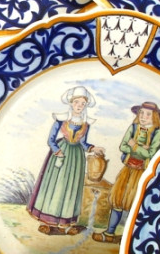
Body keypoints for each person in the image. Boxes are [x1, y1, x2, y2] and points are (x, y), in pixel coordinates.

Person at [27, 86, 105, 235]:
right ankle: (47, 221)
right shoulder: (61, 119)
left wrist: (93, 148)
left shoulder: (85, 123)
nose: (79, 106)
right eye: (77, 102)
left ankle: (64, 223)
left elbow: (83, 143)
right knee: (56, 186)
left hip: (76, 157)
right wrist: (57, 151)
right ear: (71, 103)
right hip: (61, 154)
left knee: (71, 188)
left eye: (83, 103)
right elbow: (51, 140)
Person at [93, 102, 160, 244]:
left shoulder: (158, 132)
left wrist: (134, 145)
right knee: (117, 199)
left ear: (155, 116)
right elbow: (123, 146)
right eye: (141, 113)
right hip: (128, 168)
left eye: (148, 114)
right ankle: (109, 233)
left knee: (135, 202)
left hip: (143, 172)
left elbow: (151, 154)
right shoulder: (133, 128)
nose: (143, 116)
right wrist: (142, 148)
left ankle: (131, 238)